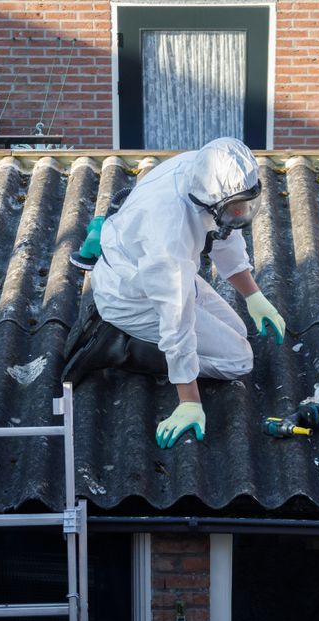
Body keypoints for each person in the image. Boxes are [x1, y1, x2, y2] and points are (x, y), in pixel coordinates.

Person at [62, 137, 285, 448]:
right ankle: (120, 343)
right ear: (212, 200)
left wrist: (254, 297)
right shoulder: (168, 233)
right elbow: (175, 319)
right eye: (236, 206)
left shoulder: (206, 171)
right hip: (131, 297)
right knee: (239, 360)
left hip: (158, 273)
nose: (242, 212)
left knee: (237, 332)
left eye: (246, 203)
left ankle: (150, 345)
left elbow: (224, 233)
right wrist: (189, 401)